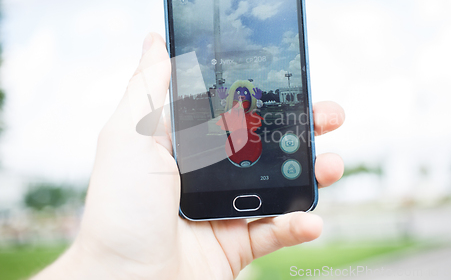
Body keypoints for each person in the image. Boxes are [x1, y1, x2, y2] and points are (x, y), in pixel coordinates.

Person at [32, 33, 345, 280]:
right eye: (240, 94)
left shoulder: (251, 117)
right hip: (232, 158)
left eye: (245, 95)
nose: (243, 98)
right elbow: (221, 126)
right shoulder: (231, 115)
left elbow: (245, 124)